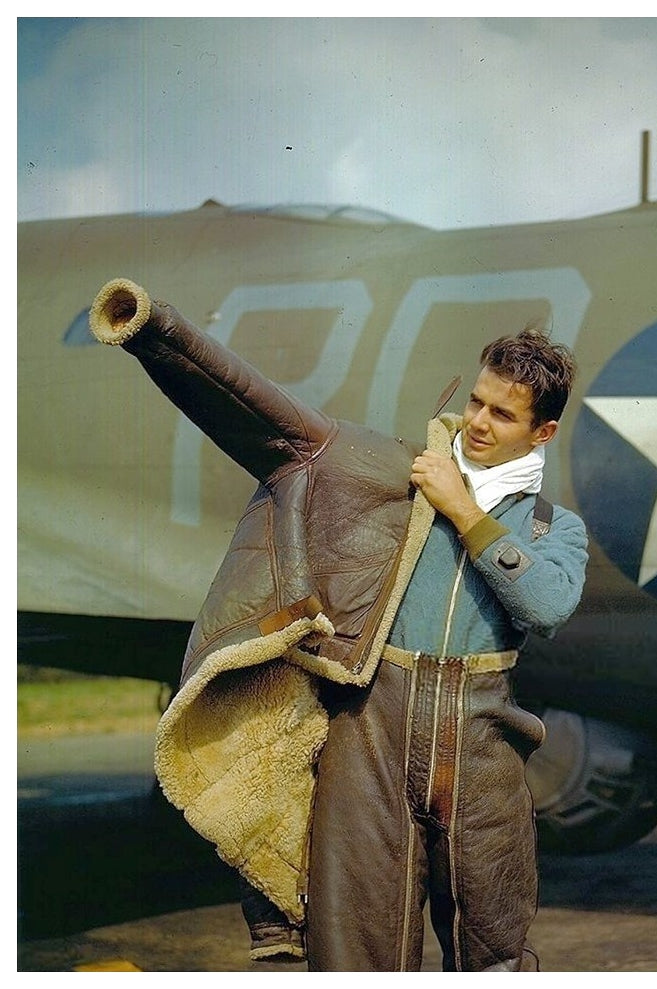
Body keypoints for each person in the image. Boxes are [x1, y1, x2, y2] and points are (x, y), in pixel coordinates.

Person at [88, 279, 588, 972]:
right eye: (475, 399)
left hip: (483, 741)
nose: (478, 421)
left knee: (495, 945)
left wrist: (464, 513)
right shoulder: (393, 481)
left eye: (503, 414)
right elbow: (264, 415)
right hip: (371, 730)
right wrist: (153, 329)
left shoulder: (551, 527)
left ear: (543, 431)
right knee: (357, 949)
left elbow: (548, 606)